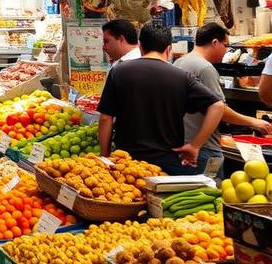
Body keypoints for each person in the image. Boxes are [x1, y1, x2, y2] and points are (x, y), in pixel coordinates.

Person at [97, 23, 225, 175]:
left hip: (127, 163)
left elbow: (106, 118)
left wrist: (105, 157)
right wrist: (195, 145)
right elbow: (217, 107)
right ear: (169, 49)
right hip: (167, 164)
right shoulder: (182, 77)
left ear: (140, 46)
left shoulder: (119, 71)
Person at [173, 23, 272, 177]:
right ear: (214, 43)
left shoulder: (179, 63)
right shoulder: (205, 68)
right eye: (225, 45)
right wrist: (254, 122)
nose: (226, 50)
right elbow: (219, 109)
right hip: (204, 149)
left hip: (183, 142)